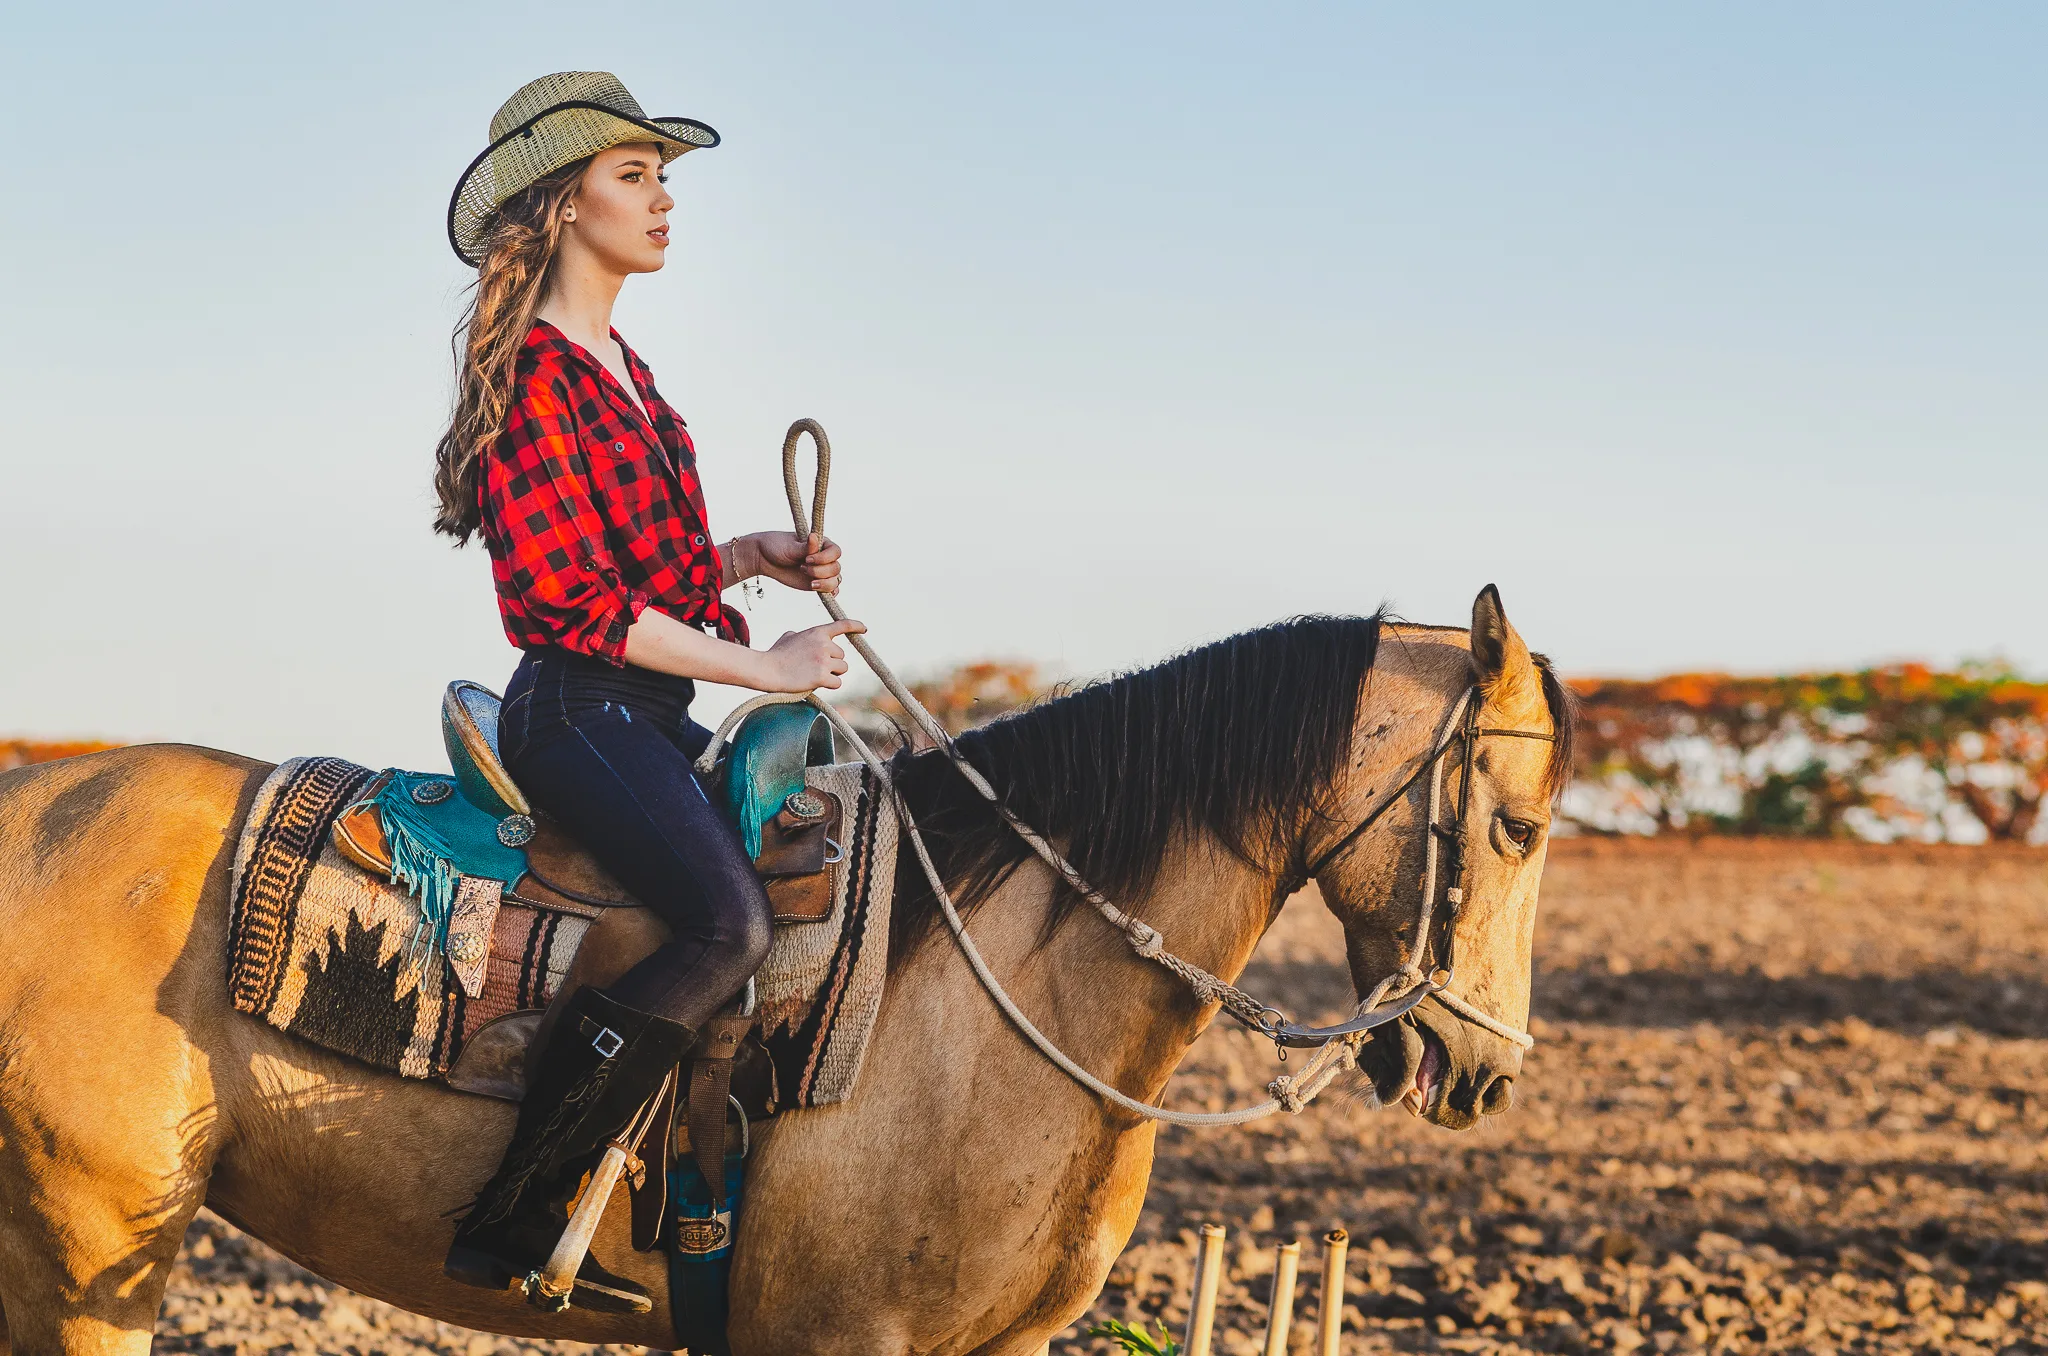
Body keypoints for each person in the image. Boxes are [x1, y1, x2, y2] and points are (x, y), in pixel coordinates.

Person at [430, 71, 864, 1310]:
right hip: (574, 709)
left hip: (643, 709)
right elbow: (571, 604)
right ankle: (513, 1211)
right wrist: (763, 666)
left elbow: (650, 570)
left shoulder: (630, 373)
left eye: (662, 177)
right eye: (636, 177)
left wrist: (747, 560)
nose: (664, 200)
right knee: (727, 926)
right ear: (564, 206)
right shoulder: (536, 375)